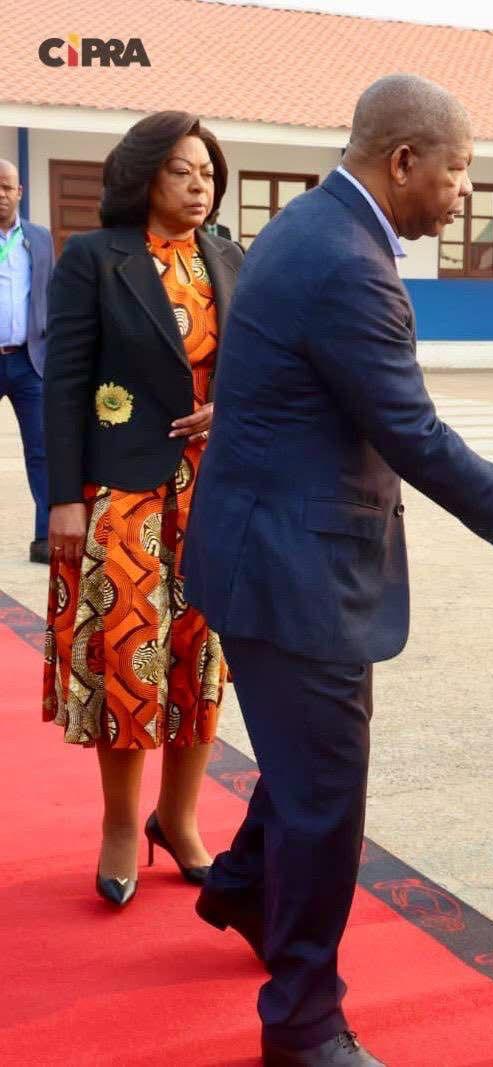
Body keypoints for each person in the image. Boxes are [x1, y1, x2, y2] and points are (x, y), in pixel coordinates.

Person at [182, 74, 493, 1067]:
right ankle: (304, 1022)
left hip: (273, 551)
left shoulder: (312, 227)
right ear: (403, 160)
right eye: (457, 171)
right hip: (293, 570)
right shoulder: (346, 260)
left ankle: (239, 883)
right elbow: (408, 427)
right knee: (327, 794)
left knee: (305, 762)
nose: (461, 193)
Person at [42, 112, 243, 908]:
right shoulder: (95, 258)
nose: (200, 188)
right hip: (122, 492)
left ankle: (180, 818)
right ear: (143, 179)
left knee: (199, 657)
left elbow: (257, 366)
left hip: (213, 491)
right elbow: (63, 382)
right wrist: (61, 498)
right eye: (182, 173)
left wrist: (226, 406)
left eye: (208, 174)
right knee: (129, 657)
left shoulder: (228, 256)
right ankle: (122, 825)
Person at [0, 159, 54, 564]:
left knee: (42, 451)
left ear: (20, 192)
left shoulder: (39, 238)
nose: (1, 194)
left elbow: (49, 296)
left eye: (7, 187)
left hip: (29, 362)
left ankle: (43, 538)